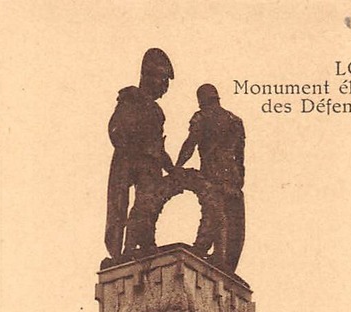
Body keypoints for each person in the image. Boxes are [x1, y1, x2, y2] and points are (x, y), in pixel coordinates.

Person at [104, 48, 175, 261]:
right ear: (148, 76)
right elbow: (115, 129)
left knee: (147, 204)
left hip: (150, 164)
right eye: (162, 81)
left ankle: (142, 244)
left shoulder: (158, 112)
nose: (164, 89)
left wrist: (171, 167)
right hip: (128, 159)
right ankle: (118, 253)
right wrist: (132, 149)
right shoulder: (129, 99)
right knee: (119, 206)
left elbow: (159, 147)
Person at [175, 83, 246, 272]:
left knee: (213, 215)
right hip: (233, 179)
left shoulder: (201, 117)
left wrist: (177, 167)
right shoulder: (235, 120)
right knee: (233, 224)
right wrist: (239, 180)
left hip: (212, 176)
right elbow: (240, 156)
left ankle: (208, 252)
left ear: (201, 100)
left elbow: (190, 144)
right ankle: (226, 264)